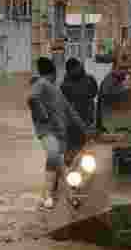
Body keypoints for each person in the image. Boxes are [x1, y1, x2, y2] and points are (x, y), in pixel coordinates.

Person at [27, 57, 89, 210]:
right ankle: (48, 196)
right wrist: (42, 115)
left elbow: (71, 112)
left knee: (62, 168)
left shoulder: (57, 91)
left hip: (60, 135)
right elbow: (32, 98)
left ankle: (70, 198)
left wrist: (85, 130)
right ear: (53, 73)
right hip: (47, 132)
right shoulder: (42, 83)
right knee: (54, 155)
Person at [60, 57, 99, 127]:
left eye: (78, 67)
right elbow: (64, 103)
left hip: (88, 118)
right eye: (74, 69)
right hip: (73, 120)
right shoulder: (65, 84)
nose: (78, 69)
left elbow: (94, 93)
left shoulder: (90, 79)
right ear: (69, 70)